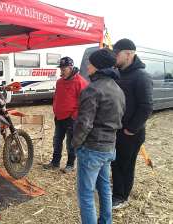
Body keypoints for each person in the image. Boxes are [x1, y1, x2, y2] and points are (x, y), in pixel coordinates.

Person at [72, 48, 125, 224]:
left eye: (91, 63)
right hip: (109, 147)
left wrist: (76, 144)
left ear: (98, 67)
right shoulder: (118, 89)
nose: (88, 65)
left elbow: (84, 123)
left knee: (86, 194)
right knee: (104, 188)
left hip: (92, 149)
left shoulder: (92, 89)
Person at [111, 39, 153, 209]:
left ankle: (121, 197)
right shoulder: (119, 73)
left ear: (128, 54)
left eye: (117, 53)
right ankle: (117, 191)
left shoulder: (141, 76)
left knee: (125, 165)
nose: (115, 57)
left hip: (131, 133)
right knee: (116, 162)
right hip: (117, 129)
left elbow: (147, 106)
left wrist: (131, 128)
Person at [43, 56, 88, 173]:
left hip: (71, 119)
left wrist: (74, 116)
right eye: (61, 69)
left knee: (71, 143)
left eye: (64, 69)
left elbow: (84, 103)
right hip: (59, 117)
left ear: (71, 67)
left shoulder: (80, 82)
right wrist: (55, 109)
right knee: (57, 141)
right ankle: (55, 162)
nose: (61, 72)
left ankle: (70, 164)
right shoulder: (59, 82)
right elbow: (57, 97)